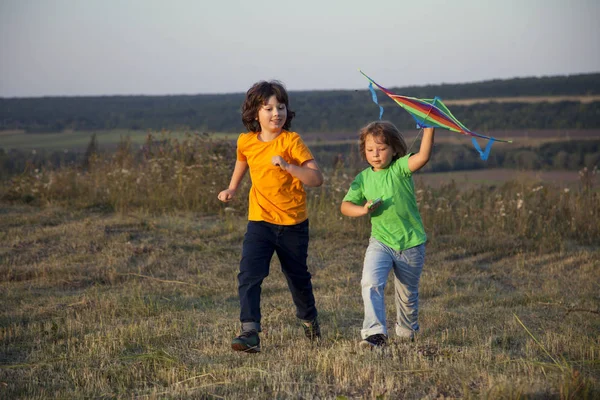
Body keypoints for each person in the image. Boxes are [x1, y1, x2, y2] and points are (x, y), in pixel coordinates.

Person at [218, 80, 324, 353]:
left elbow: (316, 178)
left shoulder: (292, 141)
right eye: (268, 108)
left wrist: (288, 166)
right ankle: (250, 330)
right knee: (249, 275)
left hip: (293, 224)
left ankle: (309, 319)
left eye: (281, 106)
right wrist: (233, 187)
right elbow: (243, 160)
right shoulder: (246, 141)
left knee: (298, 278)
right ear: (255, 113)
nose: (276, 113)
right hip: (260, 221)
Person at [340, 121, 435, 348]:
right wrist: (363, 209)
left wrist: (429, 129)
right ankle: (375, 334)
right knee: (370, 282)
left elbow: (422, 157)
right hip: (380, 242)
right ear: (364, 151)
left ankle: (407, 330)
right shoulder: (362, 178)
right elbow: (345, 206)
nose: (376, 154)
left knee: (407, 295)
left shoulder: (400, 168)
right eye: (370, 149)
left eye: (381, 149)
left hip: (411, 243)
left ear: (394, 149)